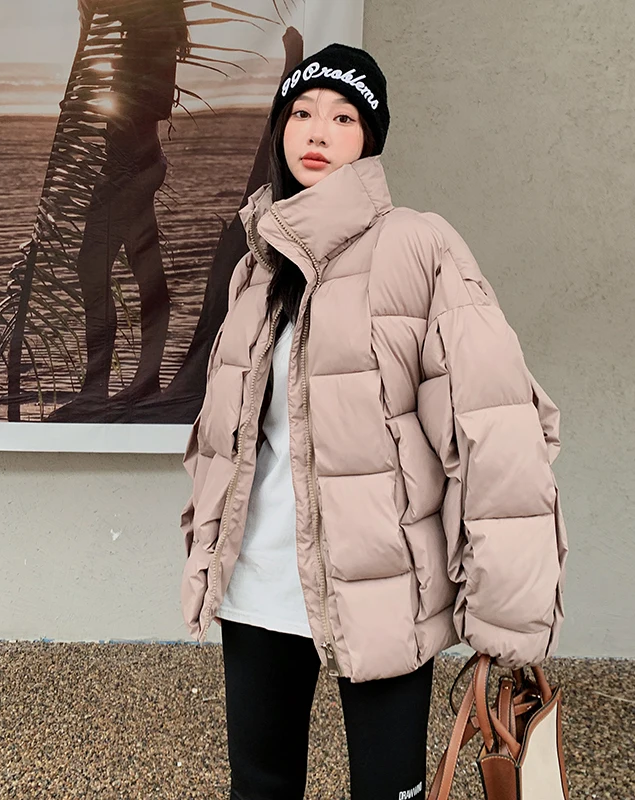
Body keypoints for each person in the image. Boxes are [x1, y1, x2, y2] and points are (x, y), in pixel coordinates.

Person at [180, 43, 567, 800]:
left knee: (389, 789)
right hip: (257, 581)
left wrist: (508, 615)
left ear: (370, 139)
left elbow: (495, 430)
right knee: (259, 787)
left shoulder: (418, 246)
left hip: (385, 589)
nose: (317, 131)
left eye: (343, 117)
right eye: (301, 112)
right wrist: (206, 544)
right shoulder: (258, 268)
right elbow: (227, 438)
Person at [59, 0, 188, 417]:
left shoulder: (154, 26)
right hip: (128, 162)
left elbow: (149, 104)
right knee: (144, 270)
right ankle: (141, 381)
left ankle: (99, 387)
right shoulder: (145, 28)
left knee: (92, 265)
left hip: (132, 166)